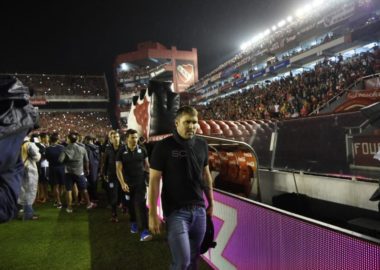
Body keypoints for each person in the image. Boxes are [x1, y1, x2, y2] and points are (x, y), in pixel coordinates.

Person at [148, 106, 214, 269]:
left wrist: (211, 202)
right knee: (182, 261)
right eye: (187, 122)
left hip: (199, 211)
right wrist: (152, 214)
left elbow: (206, 176)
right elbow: (154, 180)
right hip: (176, 212)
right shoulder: (163, 146)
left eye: (194, 122)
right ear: (177, 123)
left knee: (193, 259)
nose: (191, 126)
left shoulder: (201, 144)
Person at [116, 129, 152, 241]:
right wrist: (122, 183)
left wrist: (151, 178)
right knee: (130, 205)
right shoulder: (121, 151)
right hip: (127, 184)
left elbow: (147, 166)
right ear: (127, 139)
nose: (135, 140)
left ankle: (144, 232)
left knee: (141, 206)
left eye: (136, 137)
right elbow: (118, 169)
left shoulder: (142, 149)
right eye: (132, 137)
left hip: (140, 183)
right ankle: (133, 222)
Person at [58, 132, 96, 213]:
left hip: (68, 172)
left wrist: (66, 161)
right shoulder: (82, 148)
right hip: (79, 172)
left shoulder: (66, 149)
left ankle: (69, 207)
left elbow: (60, 160)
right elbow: (86, 160)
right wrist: (87, 169)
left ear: (69, 139)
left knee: (69, 190)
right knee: (84, 189)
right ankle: (88, 204)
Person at [101, 130, 124, 222]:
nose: (116, 138)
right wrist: (104, 173)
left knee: (122, 193)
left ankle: (123, 205)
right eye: (114, 137)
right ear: (110, 139)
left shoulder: (124, 148)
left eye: (117, 136)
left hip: (123, 176)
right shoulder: (108, 149)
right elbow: (105, 163)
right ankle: (114, 214)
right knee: (113, 194)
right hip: (112, 176)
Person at [18, 136, 41, 220]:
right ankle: (28, 214)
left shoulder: (16, 144)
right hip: (29, 169)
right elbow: (37, 157)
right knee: (30, 191)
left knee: (22, 190)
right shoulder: (29, 144)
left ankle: (24, 212)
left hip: (19, 169)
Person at [45, 132, 65, 208]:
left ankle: (58, 201)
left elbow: (47, 158)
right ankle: (58, 200)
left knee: (55, 186)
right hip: (61, 168)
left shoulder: (48, 149)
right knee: (61, 185)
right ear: (57, 140)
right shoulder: (62, 147)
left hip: (53, 168)